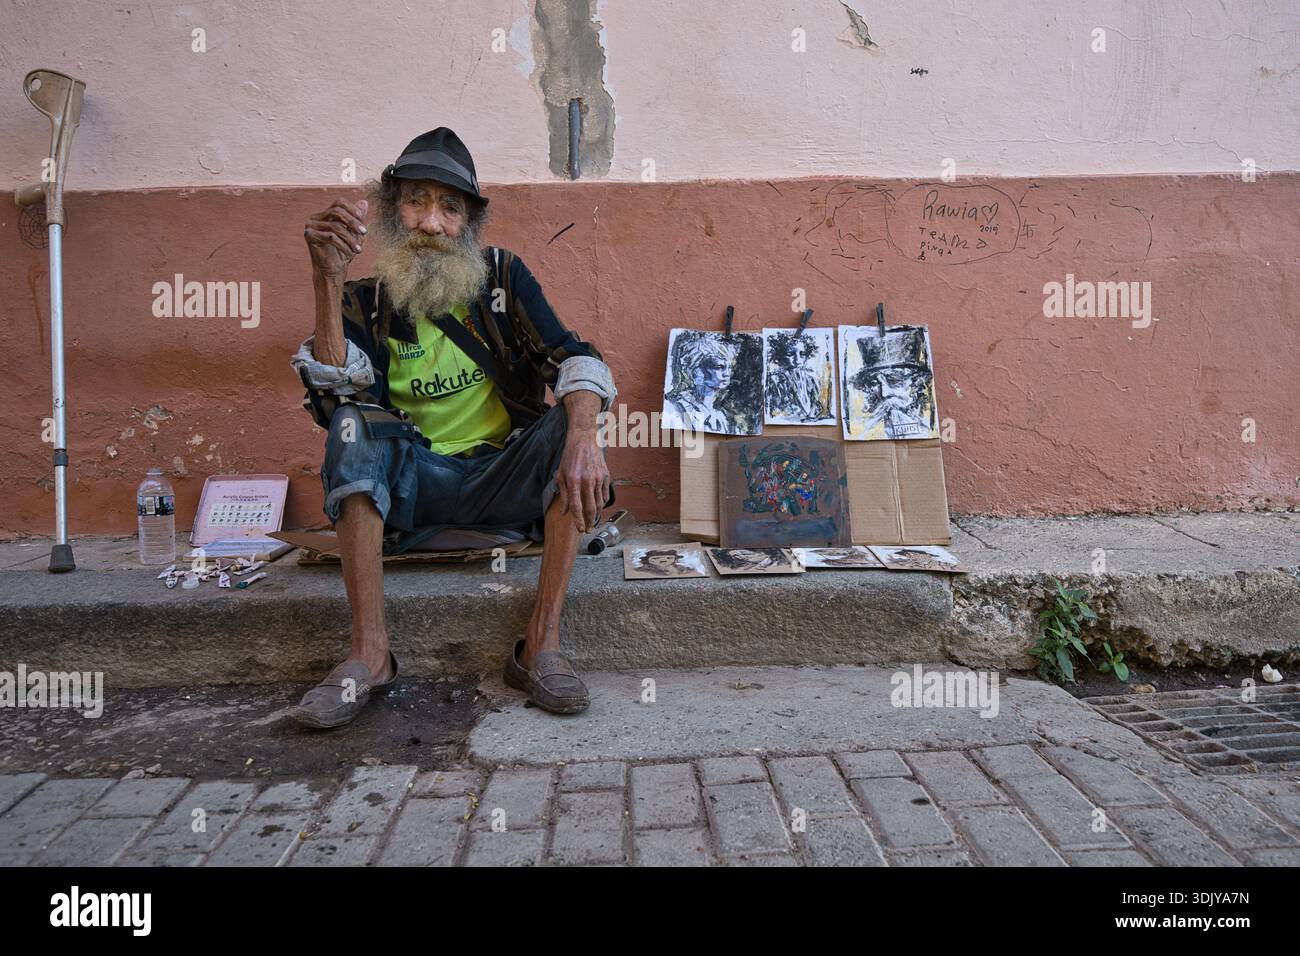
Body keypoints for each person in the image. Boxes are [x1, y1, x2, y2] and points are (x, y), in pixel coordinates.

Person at [289, 128, 616, 725]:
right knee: (353, 430)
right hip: (415, 484)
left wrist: (583, 438)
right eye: (415, 201)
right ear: (391, 212)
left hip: (500, 477)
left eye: (449, 208)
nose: (431, 224)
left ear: (468, 223)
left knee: (573, 420)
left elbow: (574, 357)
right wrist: (326, 280)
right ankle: (370, 654)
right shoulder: (363, 300)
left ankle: (539, 647)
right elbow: (334, 399)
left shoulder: (502, 277)